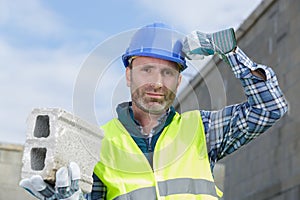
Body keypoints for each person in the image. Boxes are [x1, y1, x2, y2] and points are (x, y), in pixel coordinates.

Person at [20, 22, 288, 200]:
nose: (157, 83)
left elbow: (270, 106)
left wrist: (229, 51)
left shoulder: (202, 130)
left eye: (168, 73)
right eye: (146, 70)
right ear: (128, 75)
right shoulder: (100, 144)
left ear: (179, 80)